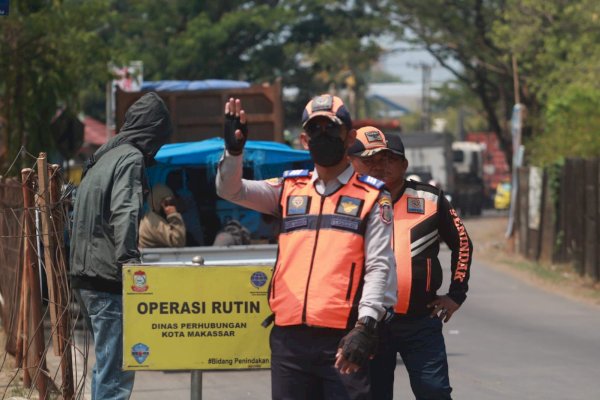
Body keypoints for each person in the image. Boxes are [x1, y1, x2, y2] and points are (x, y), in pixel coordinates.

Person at [216, 95, 397, 400]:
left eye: (331, 129)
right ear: (304, 139)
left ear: (350, 137)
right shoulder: (287, 189)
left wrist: (366, 326)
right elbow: (230, 189)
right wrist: (234, 152)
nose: (323, 136)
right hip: (289, 341)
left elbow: (379, 267)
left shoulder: (372, 196)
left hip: (344, 337)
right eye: (315, 130)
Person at [348, 126, 473, 400]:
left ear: (404, 164)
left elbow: (462, 243)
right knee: (373, 394)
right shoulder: (353, 201)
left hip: (420, 321)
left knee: (435, 392)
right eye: (377, 160)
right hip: (371, 323)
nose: (384, 165)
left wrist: (456, 294)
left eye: (391, 159)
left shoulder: (430, 199)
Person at [70, 92, 172, 400]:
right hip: (107, 278)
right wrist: (130, 265)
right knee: (116, 374)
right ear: (153, 131)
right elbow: (124, 211)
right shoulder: (131, 158)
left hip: (85, 275)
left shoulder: (104, 156)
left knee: (106, 366)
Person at [138, 183, 186, 248]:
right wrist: (173, 215)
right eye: (166, 203)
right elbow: (178, 242)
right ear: (157, 202)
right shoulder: (153, 222)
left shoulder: (153, 217)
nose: (170, 206)